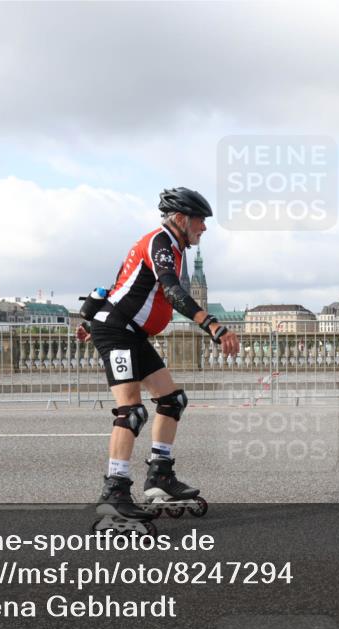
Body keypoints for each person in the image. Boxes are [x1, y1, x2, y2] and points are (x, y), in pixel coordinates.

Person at [77, 187, 240, 524]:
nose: (204, 227)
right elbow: (172, 291)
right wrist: (212, 324)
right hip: (118, 331)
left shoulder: (171, 248)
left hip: (130, 332)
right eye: (200, 220)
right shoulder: (160, 242)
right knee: (131, 411)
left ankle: (160, 476)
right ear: (180, 218)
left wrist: (89, 321)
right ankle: (115, 491)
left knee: (172, 400)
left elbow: (119, 285)